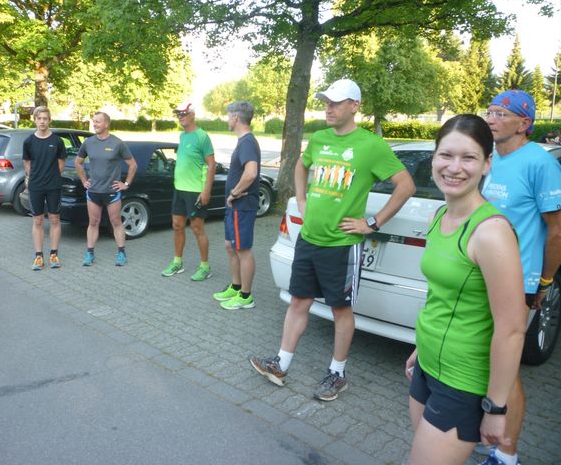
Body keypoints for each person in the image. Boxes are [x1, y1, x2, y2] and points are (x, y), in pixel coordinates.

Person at [249, 78, 415, 401]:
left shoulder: (371, 146)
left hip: (341, 245)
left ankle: (337, 374)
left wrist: (373, 223)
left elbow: (406, 185)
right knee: (299, 302)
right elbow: (301, 166)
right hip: (309, 238)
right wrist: (301, 198)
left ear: (354, 106)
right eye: (326, 101)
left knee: (340, 309)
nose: (329, 107)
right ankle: (281, 364)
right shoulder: (320, 138)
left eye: (336, 102)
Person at [404, 114, 527, 465]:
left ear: (487, 164)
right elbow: (441, 295)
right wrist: (421, 346)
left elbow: (512, 329)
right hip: (427, 365)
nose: (454, 167)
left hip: (463, 381)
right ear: (434, 158)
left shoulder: (491, 232)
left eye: (468, 157)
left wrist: (496, 408)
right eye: (446, 155)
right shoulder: (438, 217)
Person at [478, 90, 561, 465]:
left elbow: (556, 232)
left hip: (518, 281)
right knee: (485, 361)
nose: (490, 119)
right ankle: (489, 436)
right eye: (489, 111)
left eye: (500, 113)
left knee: (506, 369)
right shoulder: (490, 157)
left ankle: (506, 454)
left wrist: (544, 282)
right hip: (482, 272)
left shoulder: (540, 163)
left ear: (524, 123)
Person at [213, 101, 261, 310]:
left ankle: (246, 296)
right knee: (230, 246)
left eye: (228, 115)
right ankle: (235, 286)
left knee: (243, 250)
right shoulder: (243, 141)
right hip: (234, 207)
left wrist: (234, 193)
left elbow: (251, 173)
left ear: (236, 117)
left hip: (242, 205)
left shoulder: (248, 142)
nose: (227, 119)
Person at [161, 102, 216, 282]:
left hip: (195, 191)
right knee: (177, 225)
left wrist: (206, 191)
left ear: (192, 115)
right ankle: (177, 262)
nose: (180, 117)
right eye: (178, 114)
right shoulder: (183, 136)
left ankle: (205, 267)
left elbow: (211, 164)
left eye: (184, 114)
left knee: (197, 228)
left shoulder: (202, 137)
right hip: (180, 189)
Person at [75, 112, 137, 267]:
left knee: (116, 222)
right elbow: (78, 162)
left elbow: (133, 165)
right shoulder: (88, 142)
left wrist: (126, 184)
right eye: (94, 121)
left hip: (112, 192)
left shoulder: (117, 143)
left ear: (106, 124)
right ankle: (89, 253)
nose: (94, 124)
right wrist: (84, 181)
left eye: (98, 121)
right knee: (93, 222)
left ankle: (121, 253)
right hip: (93, 191)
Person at [23, 106, 67, 270]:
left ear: (49, 120)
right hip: (36, 186)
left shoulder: (57, 141)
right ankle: (39, 256)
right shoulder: (29, 141)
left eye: (45, 119)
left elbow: (61, 164)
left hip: (53, 186)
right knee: (38, 220)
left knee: (55, 219)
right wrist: (33, 178)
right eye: (39, 118)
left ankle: (54, 254)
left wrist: (52, 177)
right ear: (35, 120)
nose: (42, 121)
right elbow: (27, 163)